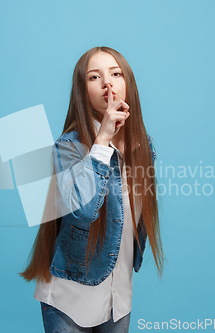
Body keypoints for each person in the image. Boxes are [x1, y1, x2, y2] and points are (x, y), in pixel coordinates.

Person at [19, 46, 165, 332]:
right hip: (69, 298)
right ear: (82, 91)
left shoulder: (143, 145)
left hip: (118, 297)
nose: (107, 83)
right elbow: (83, 210)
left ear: (128, 84)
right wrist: (102, 142)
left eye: (115, 73)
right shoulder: (69, 147)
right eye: (94, 77)